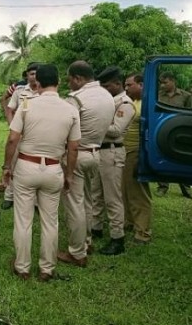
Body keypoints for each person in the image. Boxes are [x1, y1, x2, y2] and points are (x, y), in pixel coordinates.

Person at [2, 64, 80, 282]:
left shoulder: (27, 104)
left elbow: (12, 138)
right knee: (50, 221)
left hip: (26, 166)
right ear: (59, 82)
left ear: (37, 83)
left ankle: (22, 267)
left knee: (23, 220)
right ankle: (46, 269)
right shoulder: (70, 109)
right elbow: (73, 147)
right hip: (54, 168)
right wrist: (70, 175)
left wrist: (7, 167)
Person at [58, 61, 115, 267]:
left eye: (70, 80)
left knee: (74, 204)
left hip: (77, 155)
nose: (69, 84)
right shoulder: (107, 96)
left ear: (78, 78)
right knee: (87, 201)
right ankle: (87, 241)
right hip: (96, 153)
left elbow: (66, 130)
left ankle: (77, 252)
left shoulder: (77, 99)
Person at [92, 67, 136, 255]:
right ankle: (96, 228)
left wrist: (94, 123)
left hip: (112, 152)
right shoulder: (108, 102)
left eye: (107, 85)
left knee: (112, 198)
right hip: (99, 152)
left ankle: (117, 238)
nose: (104, 89)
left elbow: (117, 130)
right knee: (95, 193)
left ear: (118, 84)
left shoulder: (125, 104)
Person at [1, 62, 40, 210]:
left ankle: (36, 202)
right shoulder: (20, 91)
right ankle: (9, 196)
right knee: (13, 164)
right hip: (20, 135)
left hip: (37, 137)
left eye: (36, 73)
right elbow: (10, 109)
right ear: (27, 76)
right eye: (31, 74)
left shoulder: (45, 92)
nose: (34, 76)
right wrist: (13, 127)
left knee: (36, 167)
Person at [123, 73, 153, 244]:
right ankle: (130, 222)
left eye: (129, 85)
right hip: (125, 152)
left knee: (138, 193)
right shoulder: (131, 102)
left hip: (137, 152)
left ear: (141, 85)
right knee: (125, 190)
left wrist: (143, 157)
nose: (126, 88)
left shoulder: (148, 104)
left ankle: (143, 232)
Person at [156, 71, 192, 199]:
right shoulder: (157, 95)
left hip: (179, 132)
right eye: (161, 83)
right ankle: (162, 187)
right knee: (162, 157)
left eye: (165, 83)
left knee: (183, 159)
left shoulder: (186, 96)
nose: (162, 86)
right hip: (161, 130)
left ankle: (186, 190)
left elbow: (189, 114)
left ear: (173, 81)